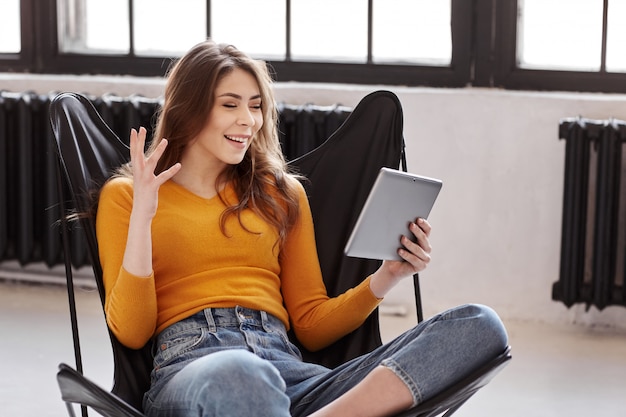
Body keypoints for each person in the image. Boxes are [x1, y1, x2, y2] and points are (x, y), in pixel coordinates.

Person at [96, 39, 508, 417]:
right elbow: (132, 333)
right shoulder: (128, 196)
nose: (249, 120)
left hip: (291, 373)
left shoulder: (281, 194)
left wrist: (387, 277)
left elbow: (310, 324)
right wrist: (143, 219)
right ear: (189, 108)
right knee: (241, 373)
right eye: (230, 104)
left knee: (478, 325)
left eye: (256, 106)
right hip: (193, 372)